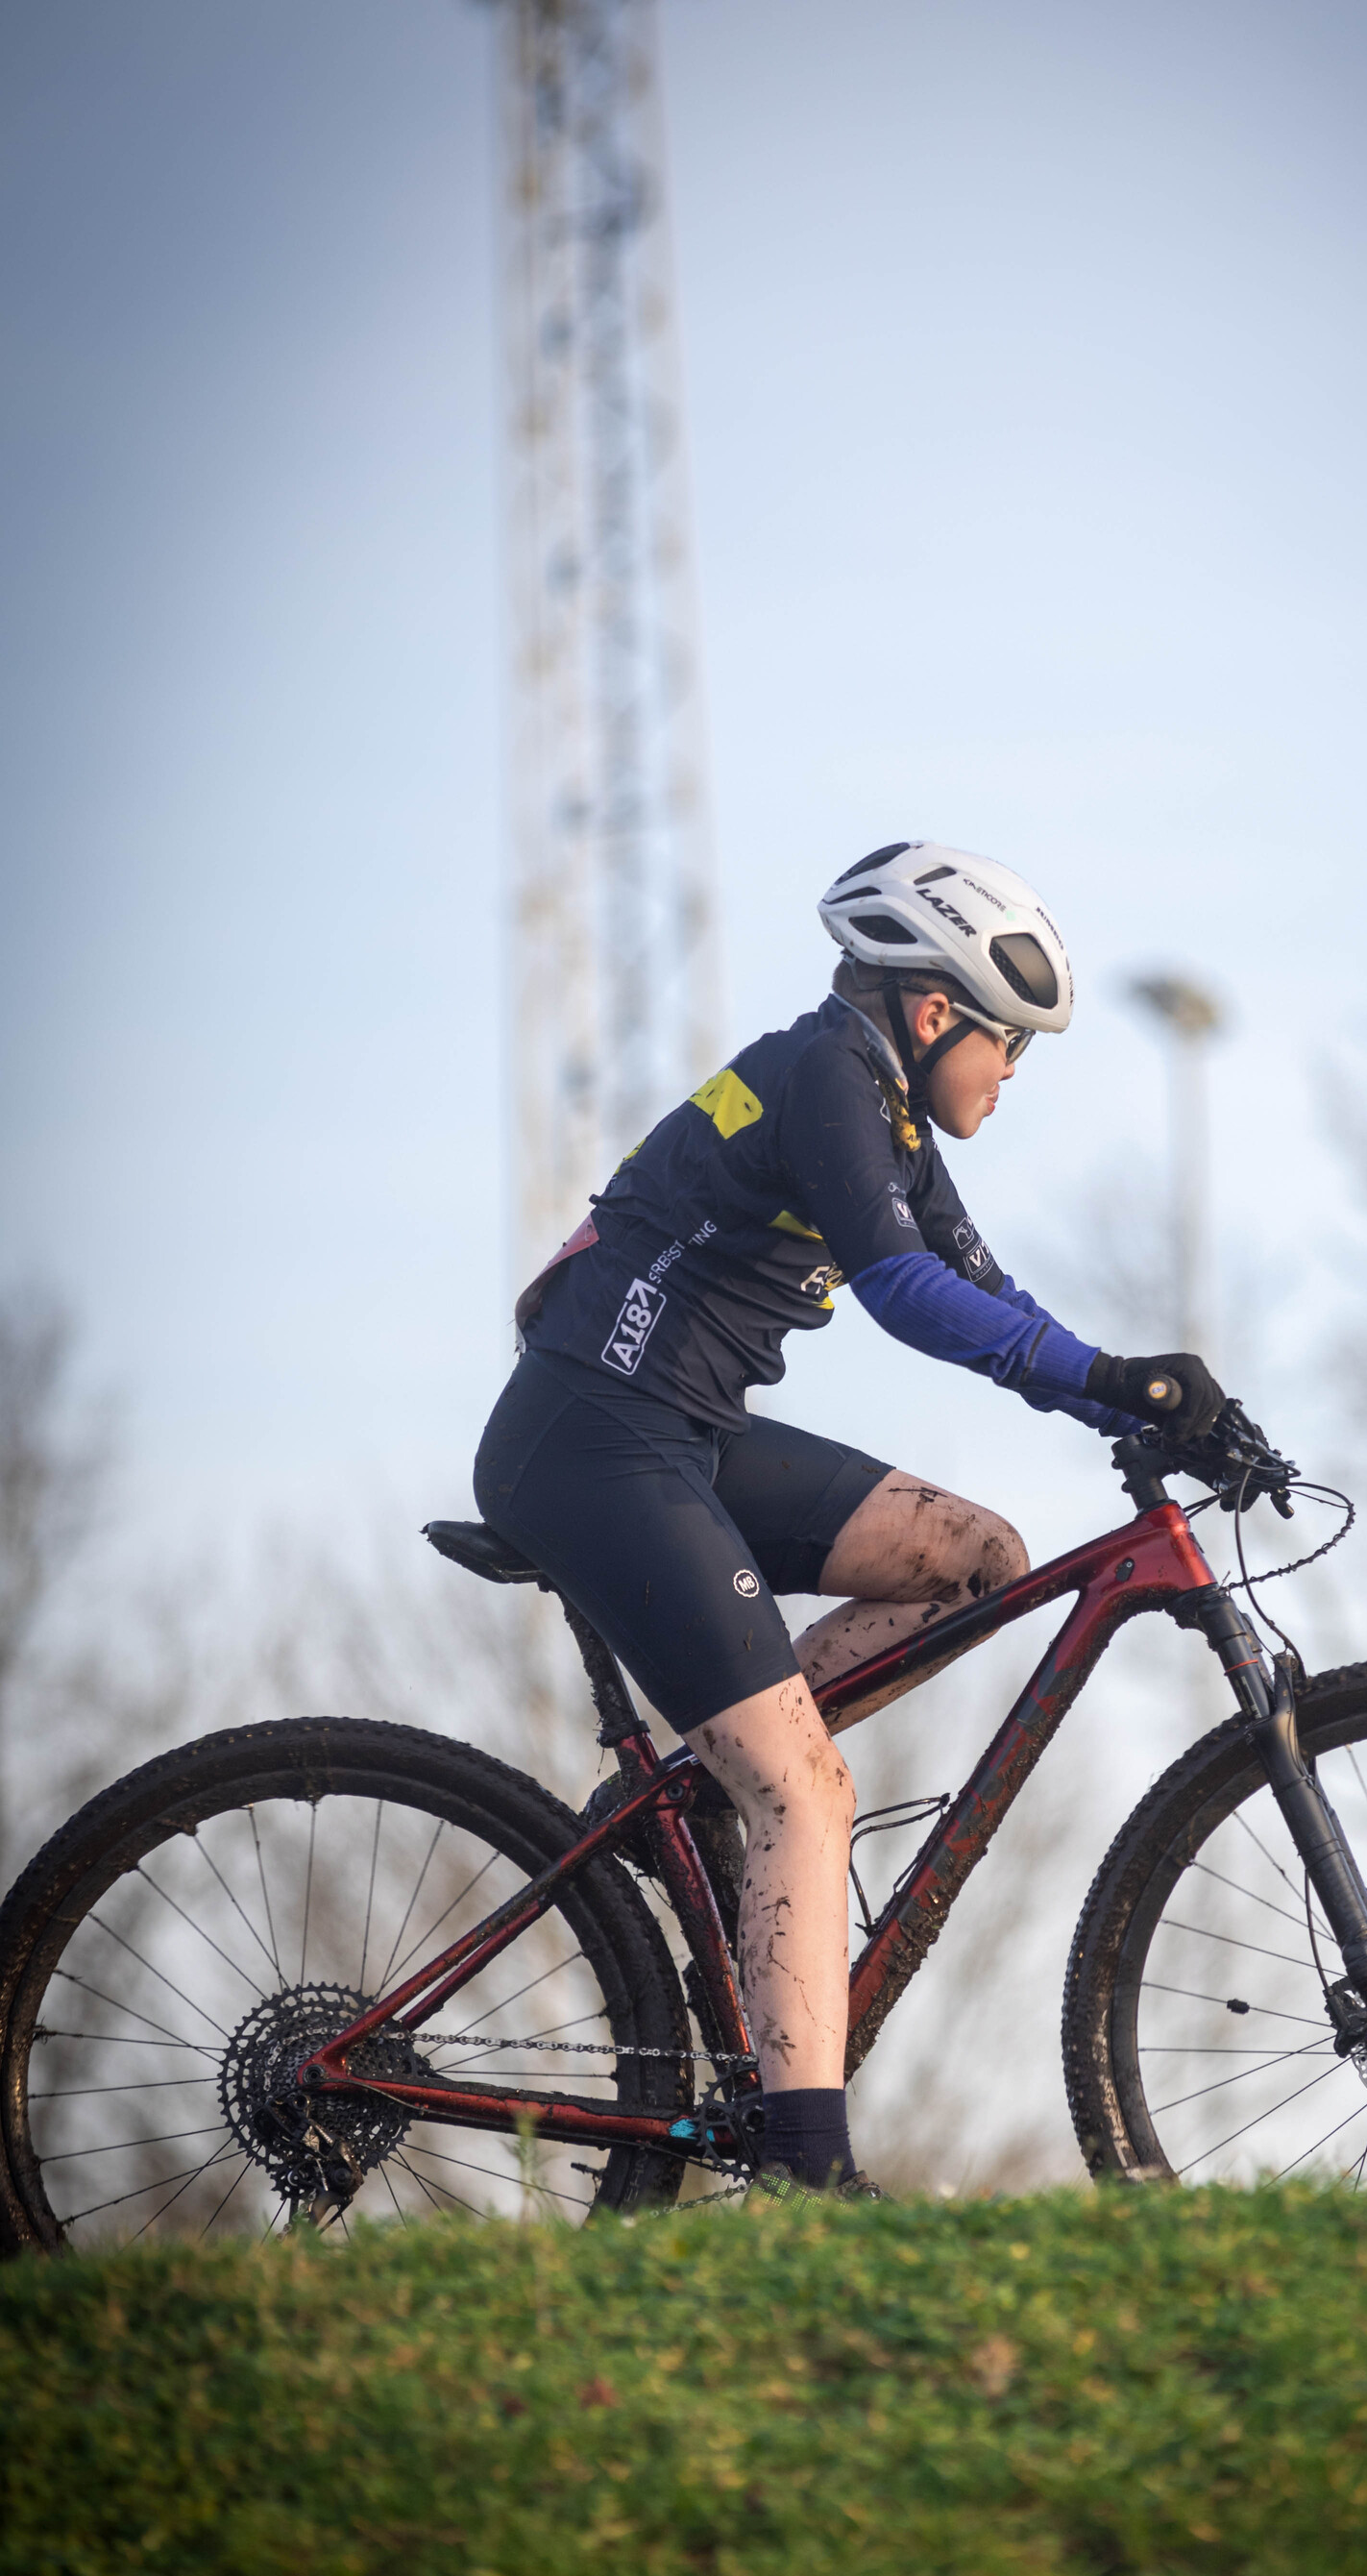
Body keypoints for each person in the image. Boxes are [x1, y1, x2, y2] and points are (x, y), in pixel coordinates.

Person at [474, 842, 1226, 2196]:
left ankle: (689, 1798)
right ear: (933, 1012)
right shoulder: (825, 1070)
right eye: (1010, 1043)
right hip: (597, 1437)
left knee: (978, 1560)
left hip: (681, 1436)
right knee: (809, 1796)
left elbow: (1002, 1304)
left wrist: (1149, 1407)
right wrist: (1113, 1383)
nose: (1013, 1074)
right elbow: (906, 1294)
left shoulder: (889, 1121)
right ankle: (806, 2172)